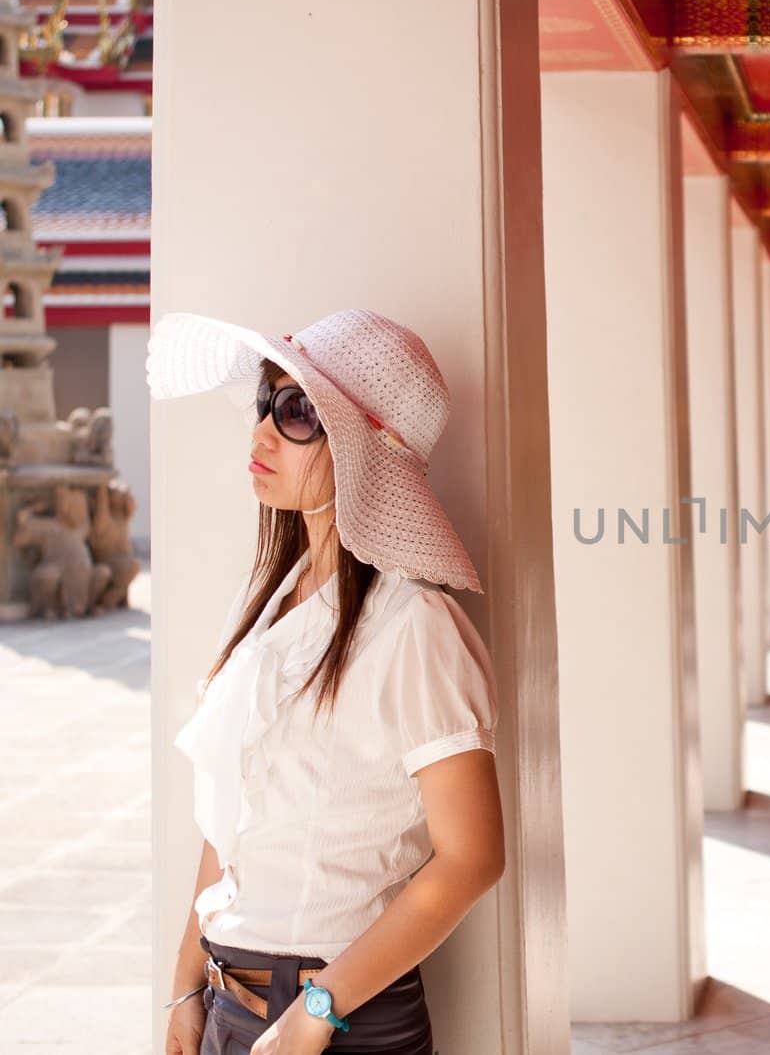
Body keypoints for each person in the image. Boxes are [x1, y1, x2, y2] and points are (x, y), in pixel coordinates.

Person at [149, 309, 505, 1055]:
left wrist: (315, 1011)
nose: (261, 434)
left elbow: (473, 855)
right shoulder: (271, 609)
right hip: (228, 1004)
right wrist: (187, 979)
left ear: (362, 447)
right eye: (265, 405)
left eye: (297, 412)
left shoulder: (414, 625)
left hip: (334, 1024)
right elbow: (232, 822)